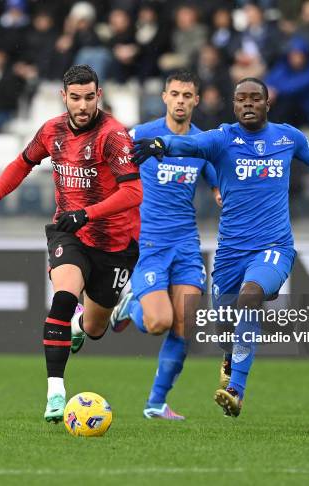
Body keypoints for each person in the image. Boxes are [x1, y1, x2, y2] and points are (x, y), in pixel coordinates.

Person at [132, 77, 309, 417]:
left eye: (255, 98)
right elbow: (189, 145)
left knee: (250, 297)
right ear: (233, 105)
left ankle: (235, 389)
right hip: (230, 253)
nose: (248, 103)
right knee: (223, 330)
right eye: (241, 99)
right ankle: (227, 358)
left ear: (268, 104)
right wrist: (161, 145)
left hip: (274, 246)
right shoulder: (223, 137)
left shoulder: (287, 136)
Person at [0, 65, 142, 423]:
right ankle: (56, 394)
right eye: (75, 98)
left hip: (115, 243)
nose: (82, 105)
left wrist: (88, 213)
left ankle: (81, 326)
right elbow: (22, 163)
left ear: (99, 95)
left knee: (95, 329)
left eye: (88, 97)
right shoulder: (52, 130)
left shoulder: (113, 135)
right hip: (69, 233)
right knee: (63, 298)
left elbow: (133, 192)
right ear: (64, 97)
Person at [108, 70, 221, 420]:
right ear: (164, 97)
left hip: (186, 243)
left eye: (187, 95)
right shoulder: (140, 136)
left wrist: (226, 196)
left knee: (185, 326)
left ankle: (156, 403)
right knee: (158, 322)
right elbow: (109, 172)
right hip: (148, 242)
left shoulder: (203, 143)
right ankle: (129, 305)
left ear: (196, 100)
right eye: (175, 94)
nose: (181, 101)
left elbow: (219, 187)